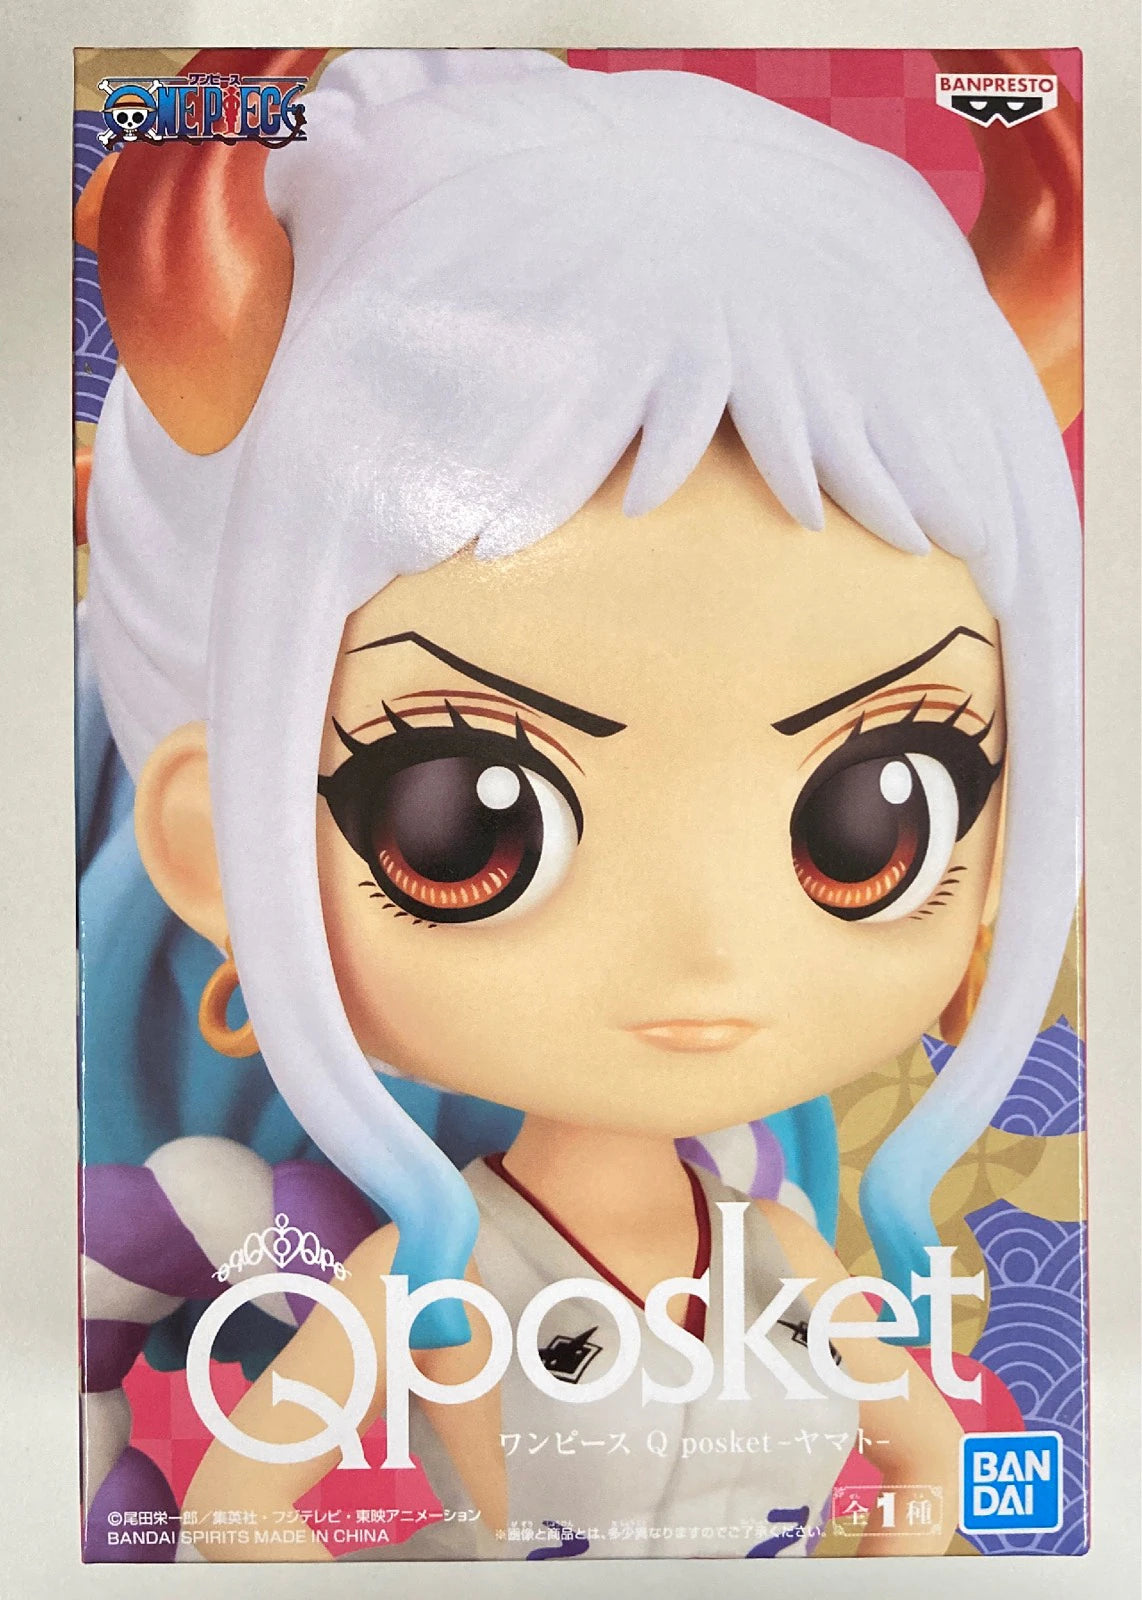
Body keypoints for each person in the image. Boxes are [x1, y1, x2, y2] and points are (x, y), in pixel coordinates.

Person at [78, 47, 1081, 1560]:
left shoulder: (774, 1240)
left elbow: (929, 1466)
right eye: (466, 823)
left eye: (874, 820)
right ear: (215, 844)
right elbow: (239, 1513)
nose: (707, 953)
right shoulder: (419, 1269)